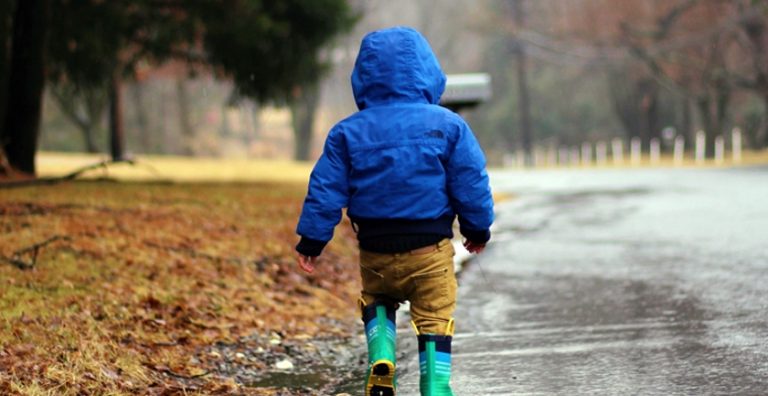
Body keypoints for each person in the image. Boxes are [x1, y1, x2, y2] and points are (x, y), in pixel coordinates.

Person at [295, 26, 494, 396]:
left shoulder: (347, 132)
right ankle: (435, 383)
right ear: (427, 72)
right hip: (429, 250)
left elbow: (325, 189)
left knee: (377, 300)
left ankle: (382, 354)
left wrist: (312, 239)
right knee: (434, 314)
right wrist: (477, 229)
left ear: (364, 78)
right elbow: (470, 182)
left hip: (375, 250)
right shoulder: (449, 125)